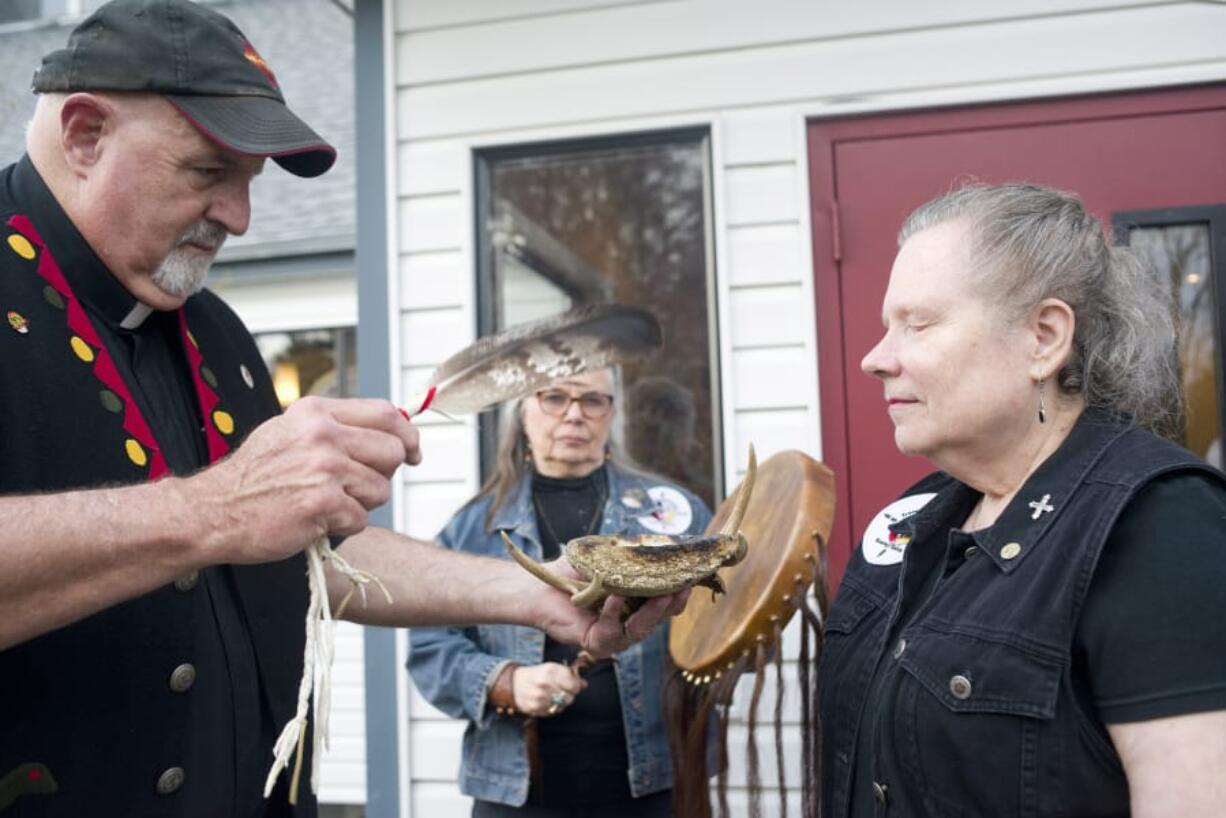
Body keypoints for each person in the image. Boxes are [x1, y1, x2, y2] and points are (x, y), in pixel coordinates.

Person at [0, 3, 685, 816]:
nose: (240, 217)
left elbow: (306, 554)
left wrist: (533, 593)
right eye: (207, 171)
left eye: (249, 182)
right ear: (84, 134)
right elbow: (223, 519)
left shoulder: (212, 330)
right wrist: (213, 508)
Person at [818, 183, 1226, 817]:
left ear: (1043, 336)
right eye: (884, 327)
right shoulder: (916, 519)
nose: (876, 359)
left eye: (918, 324)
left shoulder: (1159, 524)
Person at [408, 369, 712, 817]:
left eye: (593, 400)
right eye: (554, 398)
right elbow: (429, 644)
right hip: (517, 791)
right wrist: (505, 681)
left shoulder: (672, 516)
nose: (574, 414)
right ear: (523, 411)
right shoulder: (474, 529)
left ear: (612, 414)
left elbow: (722, 622)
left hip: (655, 785)